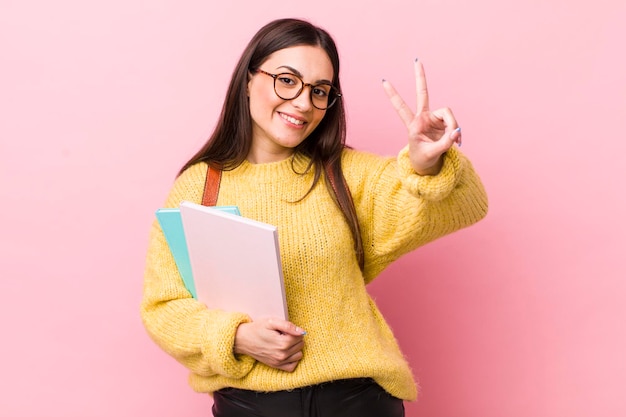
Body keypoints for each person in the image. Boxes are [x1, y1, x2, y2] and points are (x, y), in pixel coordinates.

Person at [141, 18, 488, 417]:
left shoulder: (347, 175)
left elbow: (466, 204)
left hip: (358, 402)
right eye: (287, 80)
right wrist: (235, 336)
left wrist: (427, 164)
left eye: (319, 91)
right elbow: (162, 306)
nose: (304, 103)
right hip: (249, 407)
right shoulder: (199, 187)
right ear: (248, 78)